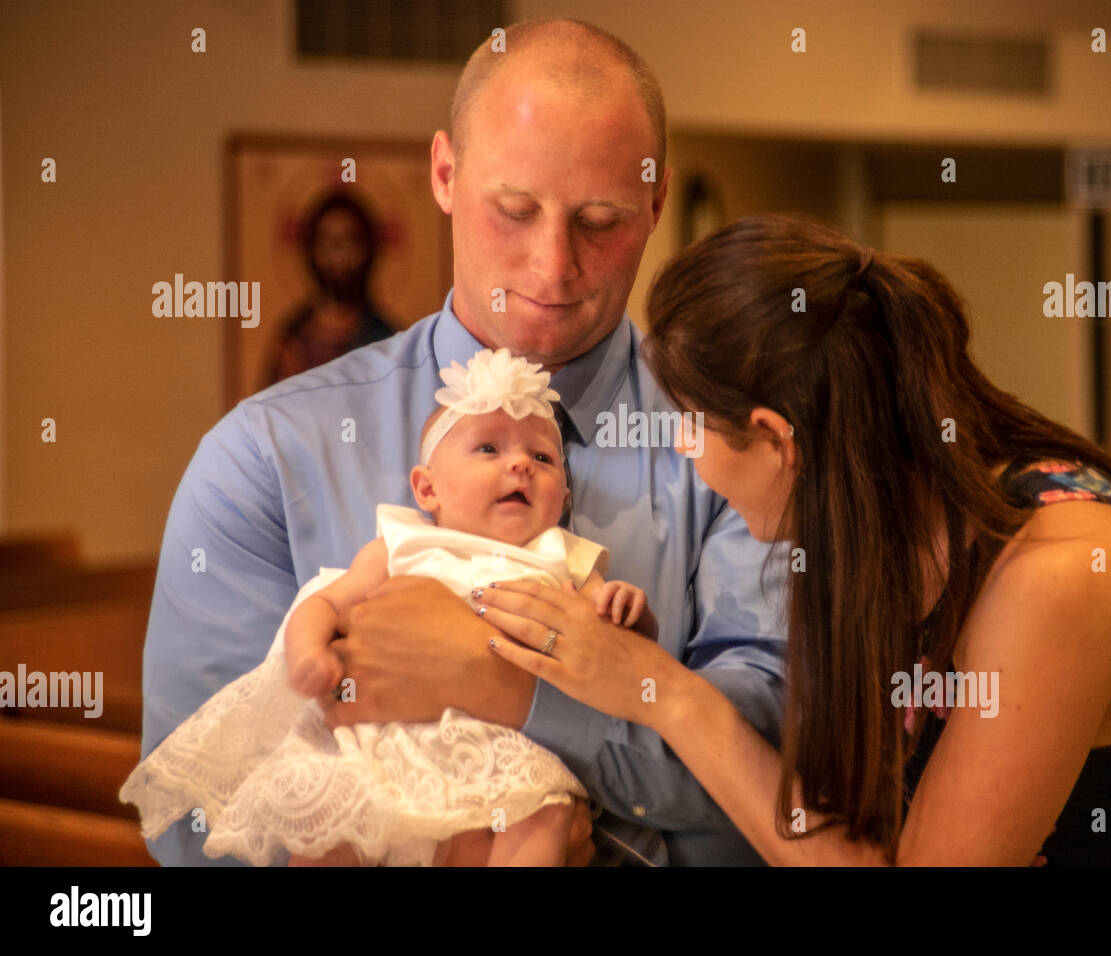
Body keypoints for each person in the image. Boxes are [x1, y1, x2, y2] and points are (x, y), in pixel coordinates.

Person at [140, 18, 787, 867]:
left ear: (658, 200)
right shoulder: (263, 458)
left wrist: (510, 693)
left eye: (601, 221)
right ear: (443, 174)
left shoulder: (747, 450)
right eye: (513, 210)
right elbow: (201, 828)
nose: (553, 267)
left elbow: (772, 773)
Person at [477, 213, 1111, 866]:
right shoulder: (861, 536)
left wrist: (666, 692)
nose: (682, 449)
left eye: (691, 421)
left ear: (774, 438)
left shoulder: (1058, 578)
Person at [125, 349, 653, 866]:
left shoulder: (563, 559)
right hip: (385, 741)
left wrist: (621, 605)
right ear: (427, 489)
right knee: (328, 828)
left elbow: (615, 645)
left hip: (502, 751)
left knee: (546, 817)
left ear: (562, 496)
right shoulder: (402, 546)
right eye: (489, 449)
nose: (520, 463)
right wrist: (308, 652)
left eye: (542, 457)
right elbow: (329, 601)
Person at [265, 191, 396, 387]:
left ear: (368, 250)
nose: (337, 255)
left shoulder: (385, 340)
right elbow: (269, 411)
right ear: (311, 251)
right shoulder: (293, 339)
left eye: (349, 241)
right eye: (327, 242)